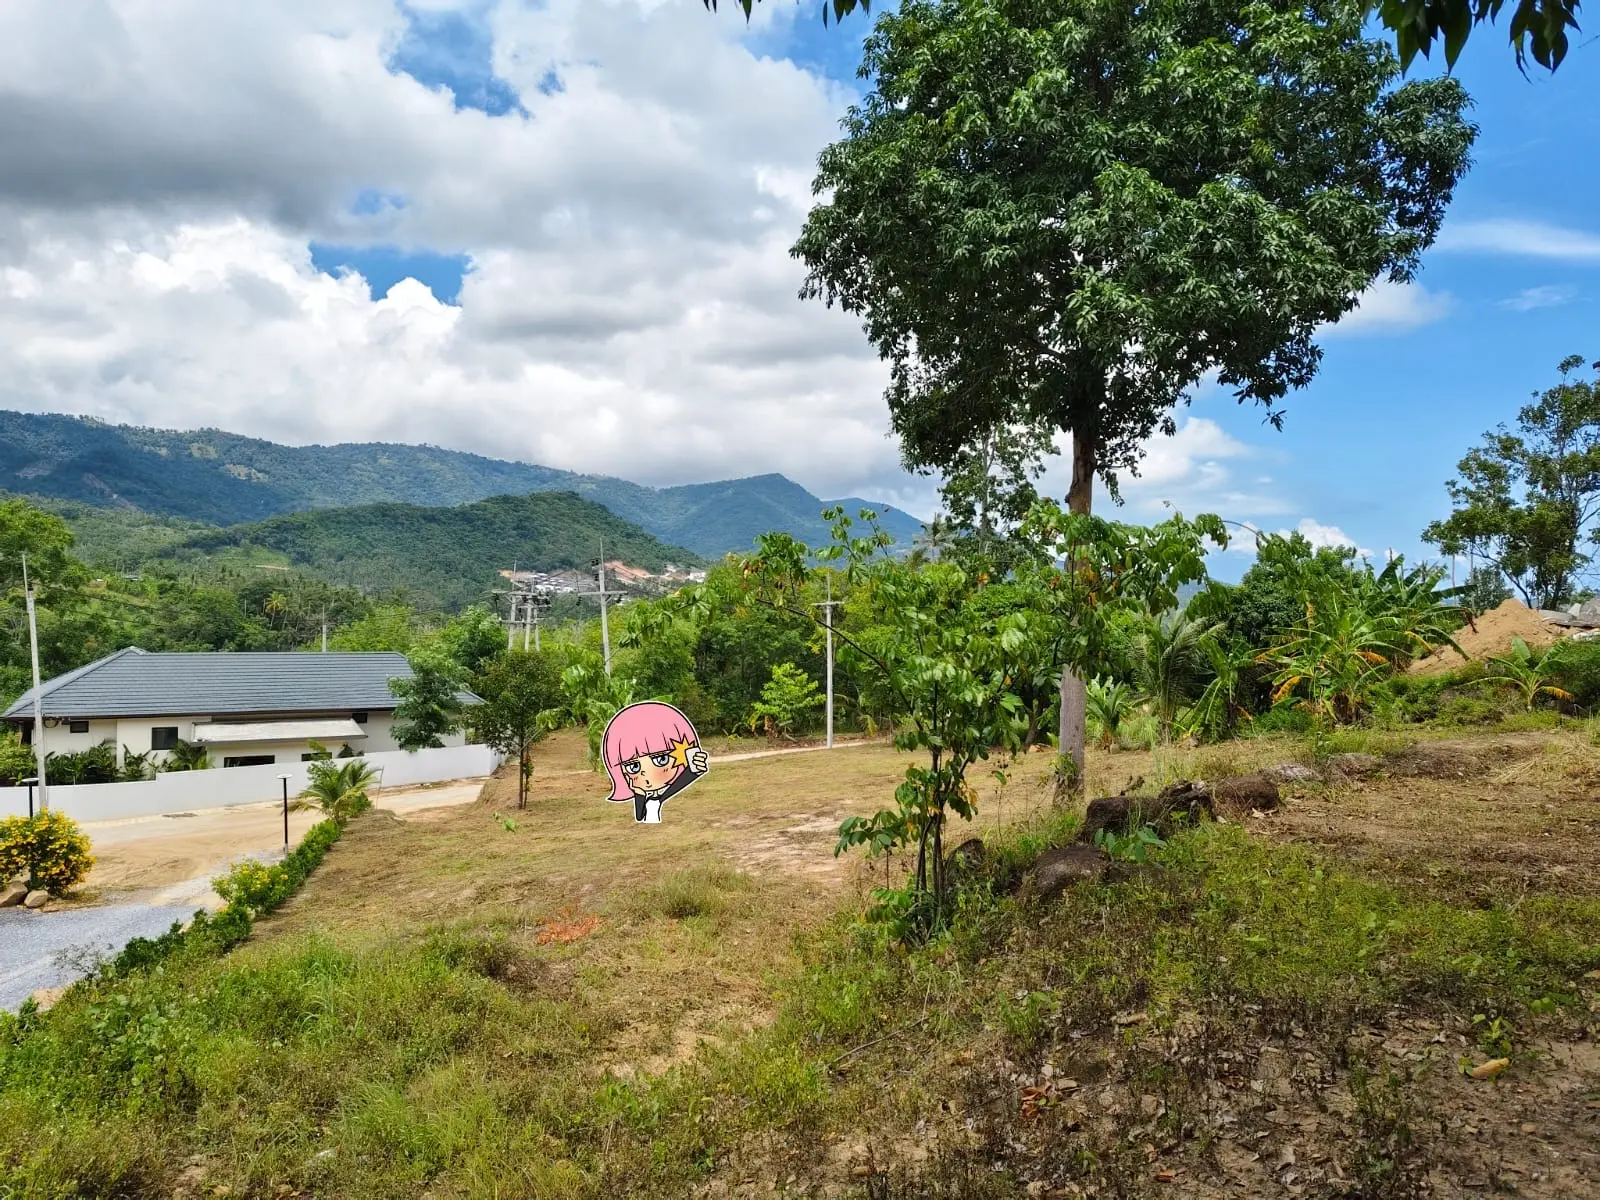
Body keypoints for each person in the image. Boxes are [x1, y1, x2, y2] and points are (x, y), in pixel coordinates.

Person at [601, 701, 709, 823]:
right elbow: (640, 817)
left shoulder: (667, 794)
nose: (647, 777)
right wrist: (639, 794)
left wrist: (695, 770)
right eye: (634, 767)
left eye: (661, 759)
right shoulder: (649, 798)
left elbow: (683, 780)